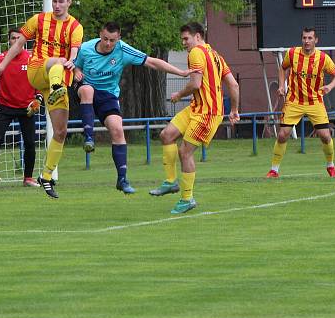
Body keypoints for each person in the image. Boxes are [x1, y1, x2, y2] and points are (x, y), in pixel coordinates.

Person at [74, 22, 195, 194]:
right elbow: (76, 65)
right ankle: (88, 138)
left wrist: (181, 72)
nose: (108, 44)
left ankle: (122, 180)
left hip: (108, 95)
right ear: (100, 34)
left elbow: (152, 62)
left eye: (112, 41)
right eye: (105, 39)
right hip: (86, 89)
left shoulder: (123, 50)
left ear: (119, 39)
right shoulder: (86, 48)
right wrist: (77, 71)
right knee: (87, 90)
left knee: (118, 131)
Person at [0, 0, 83, 198]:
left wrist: (72, 61)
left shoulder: (75, 26)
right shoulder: (38, 20)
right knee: (57, 62)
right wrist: (2, 67)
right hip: (37, 70)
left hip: (57, 77)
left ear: (69, 2)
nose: (57, 5)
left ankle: (46, 176)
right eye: (55, 1)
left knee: (60, 131)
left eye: (61, 1)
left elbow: (75, 49)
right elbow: (18, 43)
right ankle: (58, 86)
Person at [149, 22, 239, 214]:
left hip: (207, 113)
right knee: (167, 135)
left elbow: (196, 83)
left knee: (185, 153)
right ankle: (171, 182)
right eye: (182, 39)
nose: (183, 43)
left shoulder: (196, 52)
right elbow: (234, 84)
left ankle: (187, 198)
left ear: (198, 36)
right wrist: (234, 110)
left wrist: (179, 95)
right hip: (196, 108)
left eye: (186, 38)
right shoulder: (216, 56)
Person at [266, 27, 335, 179]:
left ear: (316, 40)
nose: (307, 41)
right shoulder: (292, 53)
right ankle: (274, 170)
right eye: (304, 38)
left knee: (325, 136)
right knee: (282, 135)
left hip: (315, 101)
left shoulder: (323, 58)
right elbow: (282, 68)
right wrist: (282, 86)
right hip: (294, 101)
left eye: (310, 38)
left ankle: (331, 166)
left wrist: (329, 86)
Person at [0, 28, 42, 189]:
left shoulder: (32, 58)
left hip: (26, 108)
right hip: (6, 107)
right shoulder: (1, 59)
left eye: (19, 38)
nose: (16, 41)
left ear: (24, 41)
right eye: (13, 38)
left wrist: (38, 99)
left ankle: (28, 178)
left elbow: (39, 82)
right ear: (8, 41)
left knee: (30, 143)